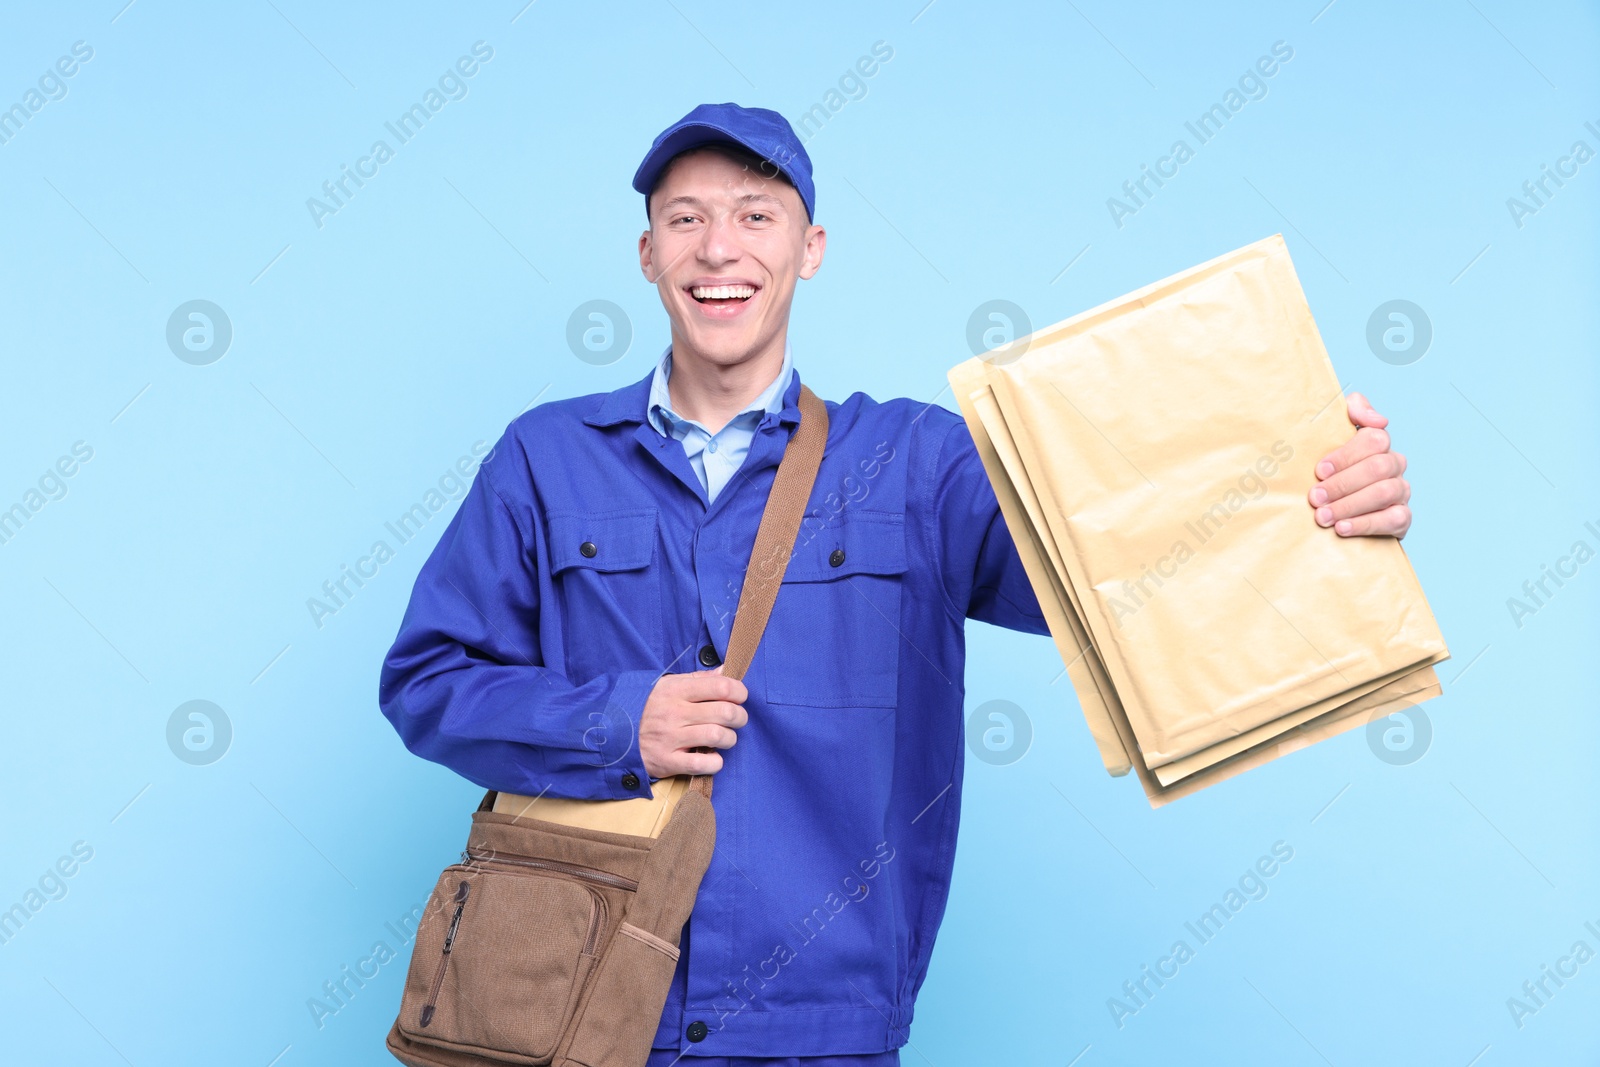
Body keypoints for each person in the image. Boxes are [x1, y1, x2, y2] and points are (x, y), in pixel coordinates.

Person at [378, 103, 1412, 1066]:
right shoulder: (544, 456)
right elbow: (425, 681)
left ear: (808, 249)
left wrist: (1308, 497)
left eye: (755, 214)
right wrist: (616, 720)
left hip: (824, 1023)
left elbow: (1110, 565)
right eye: (684, 217)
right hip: (581, 1001)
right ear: (648, 253)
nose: (719, 247)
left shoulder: (919, 461)